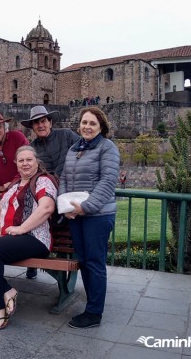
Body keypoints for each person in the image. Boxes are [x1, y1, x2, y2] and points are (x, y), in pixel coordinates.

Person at [0, 146, 56, 330]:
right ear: (16, 164)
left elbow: (46, 208)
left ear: (37, 162)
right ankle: (6, 290)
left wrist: (22, 228)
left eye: (29, 160)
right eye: (21, 160)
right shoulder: (15, 184)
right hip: (8, 235)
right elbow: (0, 208)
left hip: (34, 238)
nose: (25, 163)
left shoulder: (43, 181)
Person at [59, 106, 120, 329]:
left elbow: (107, 182)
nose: (87, 127)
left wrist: (86, 207)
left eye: (92, 123)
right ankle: (92, 304)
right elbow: (64, 177)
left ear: (101, 127)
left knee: (94, 263)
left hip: (97, 215)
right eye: (84, 122)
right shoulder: (75, 148)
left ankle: (94, 313)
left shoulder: (108, 148)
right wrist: (64, 205)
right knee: (84, 261)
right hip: (76, 215)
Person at [20, 105, 79, 279]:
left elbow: (84, 149)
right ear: (32, 127)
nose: (40, 125)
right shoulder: (31, 148)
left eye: (43, 121)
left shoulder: (67, 135)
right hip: (46, 196)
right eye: (36, 123)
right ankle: (32, 256)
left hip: (67, 192)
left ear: (50, 122)